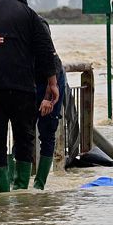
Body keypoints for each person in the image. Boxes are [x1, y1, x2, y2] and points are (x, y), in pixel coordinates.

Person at [0, 0, 58, 192]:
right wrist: (51, 84)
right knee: (24, 137)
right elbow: (45, 50)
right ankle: (21, 188)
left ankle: (2, 191)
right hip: (22, 88)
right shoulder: (29, 15)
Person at [32, 18, 67, 190]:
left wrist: (47, 96)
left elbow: (50, 59)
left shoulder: (39, 25)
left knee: (47, 130)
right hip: (30, 80)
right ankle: (18, 184)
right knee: (23, 130)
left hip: (52, 79)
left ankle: (40, 184)